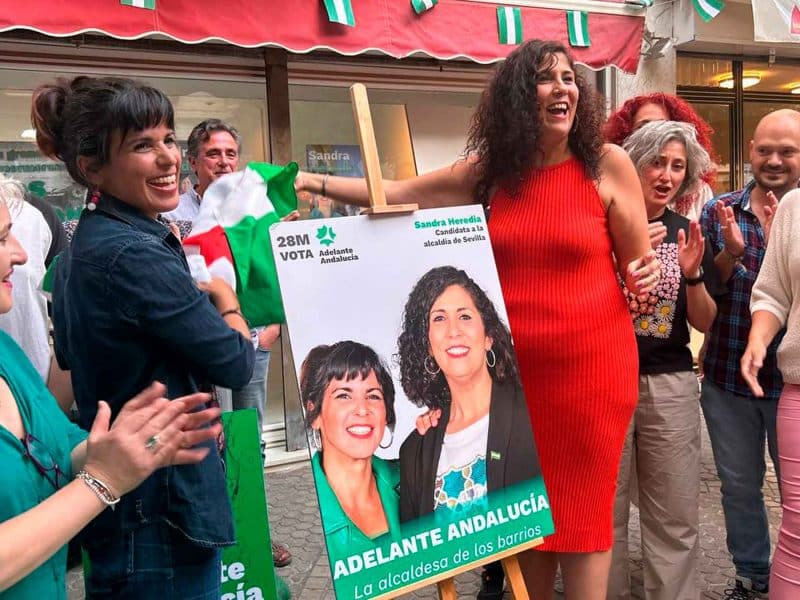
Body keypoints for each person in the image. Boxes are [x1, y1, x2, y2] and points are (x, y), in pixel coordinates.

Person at [295, 39, 659, 600]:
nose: (561, 89)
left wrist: (646, 280)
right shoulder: (490, 173)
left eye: (568, 79)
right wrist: (310, 184)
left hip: (591, 377)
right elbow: (396, 194)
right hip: (514, 382)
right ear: (518, 98)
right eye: (545, 79)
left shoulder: (606, 165)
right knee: (526, 518)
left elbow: (639, 270)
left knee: (585, 518)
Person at [31, 76, 256, 598]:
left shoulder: (83, 246)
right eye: (141, 145)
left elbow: (71, 357)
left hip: (127, 507)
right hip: (161, 515)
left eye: (168, 139)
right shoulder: (133, 253)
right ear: (92, 168)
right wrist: (226, 300)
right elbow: (235, 363)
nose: (167, 158)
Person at [0, 193, 223, 599]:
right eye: (1, 240)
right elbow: (233, 360)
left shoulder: (5, 351)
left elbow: (57, 442)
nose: (18, 254)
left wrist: (133, 445)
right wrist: (101, 481)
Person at [163, 117, 291, 566]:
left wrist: (272, 329)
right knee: (208, 440)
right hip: (198, 348)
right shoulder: (171, 214)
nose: (223, 162)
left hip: (251, 343)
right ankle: (220, 538)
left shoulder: (254, 205)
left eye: (231, 153)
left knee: (250, 442)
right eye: (213, 153)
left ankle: (257, 533)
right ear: (194, 161)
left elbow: (274, 274)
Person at [608, 121, 722, 600]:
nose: (666, 174)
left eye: (677, 165)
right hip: (606, 379)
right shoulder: (602, 225)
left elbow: (703, 321)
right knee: (604, 516)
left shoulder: (686, 233)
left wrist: (693, 274)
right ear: (633, 162)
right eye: (657, 161)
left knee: (674, 516)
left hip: (670, 383)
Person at [700, 108, 800, 599]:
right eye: (765, 150)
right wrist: (729, 254)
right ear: (750, 152)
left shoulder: (798, 215)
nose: (775, 160)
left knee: (795, 496)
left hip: (793, 385)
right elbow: (702, 291)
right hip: (727, 378)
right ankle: (752, 576)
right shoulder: (719, 211)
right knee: (739, 487)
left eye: (788, 151)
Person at [742, 188, 800, 599]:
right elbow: (772, 292)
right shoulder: (794, 207)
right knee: (797, 533)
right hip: (798, 392)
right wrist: (758, 340)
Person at [299, 340, 401, 562]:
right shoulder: (300, 516)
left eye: (373, 395)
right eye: (344, 395)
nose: (362, 409)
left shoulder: (414, 478)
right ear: (315, 413)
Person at [604, 92, 718, 222]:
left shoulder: (698, 191)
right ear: (626, 134)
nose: (654, 134)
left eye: (662, 125)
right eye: (643, 127)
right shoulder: (609, 184)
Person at [0, 175, 52, 381]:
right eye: (2, 239)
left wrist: (45, 411)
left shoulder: (35, 215)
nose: (22, 255)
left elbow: (70, 325)